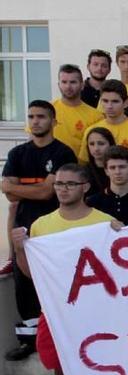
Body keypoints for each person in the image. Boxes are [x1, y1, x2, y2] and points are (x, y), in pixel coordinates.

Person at [11, 163, 118, 375]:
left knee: (107, 374)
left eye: (70, 184)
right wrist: (20, 250)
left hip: (97, 313)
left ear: (85, 187)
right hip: (56, 312)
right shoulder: (41, 225)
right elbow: (34, 275)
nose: (63, 189)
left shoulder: (106, 222)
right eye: (58, 183)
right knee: (63, 374)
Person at [2, 100, 78, 360]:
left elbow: (47, 192)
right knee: (24, 284)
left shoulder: (63, 153)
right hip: (24, 228)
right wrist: (31, 189)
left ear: (53, 120)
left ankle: (62, 337)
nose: (35, 121)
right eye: (32, 116)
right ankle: (28, 341)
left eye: (41, 116)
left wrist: (20, 187)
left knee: (57, 283)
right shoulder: (17, 154)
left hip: (55, 227)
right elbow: (6, 191)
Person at [78, 80, 128, 184]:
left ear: (126, 102)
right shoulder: (91, 131)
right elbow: (85, 164)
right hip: (99, 191)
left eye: (115, 101)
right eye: (105, 101)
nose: (109, 106)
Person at [87, 145, 128, 224]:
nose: (117, 172)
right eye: (112, 168)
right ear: (106, 171)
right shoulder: (92, 203)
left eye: (122, 167)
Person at [51, 64, 103, 154]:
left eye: (73, 82)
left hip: (80, 167)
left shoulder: (96, 116)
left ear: (82, 85)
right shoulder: (47, 110)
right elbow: (34, 139)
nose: (68, 86)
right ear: (59, 85)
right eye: (64, 82)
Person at [83, 127, 115, 195]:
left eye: (101, 144)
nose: (96, 148)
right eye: (92, 144)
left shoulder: (120, 167)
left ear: (111, 144)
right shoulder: (83, 172)